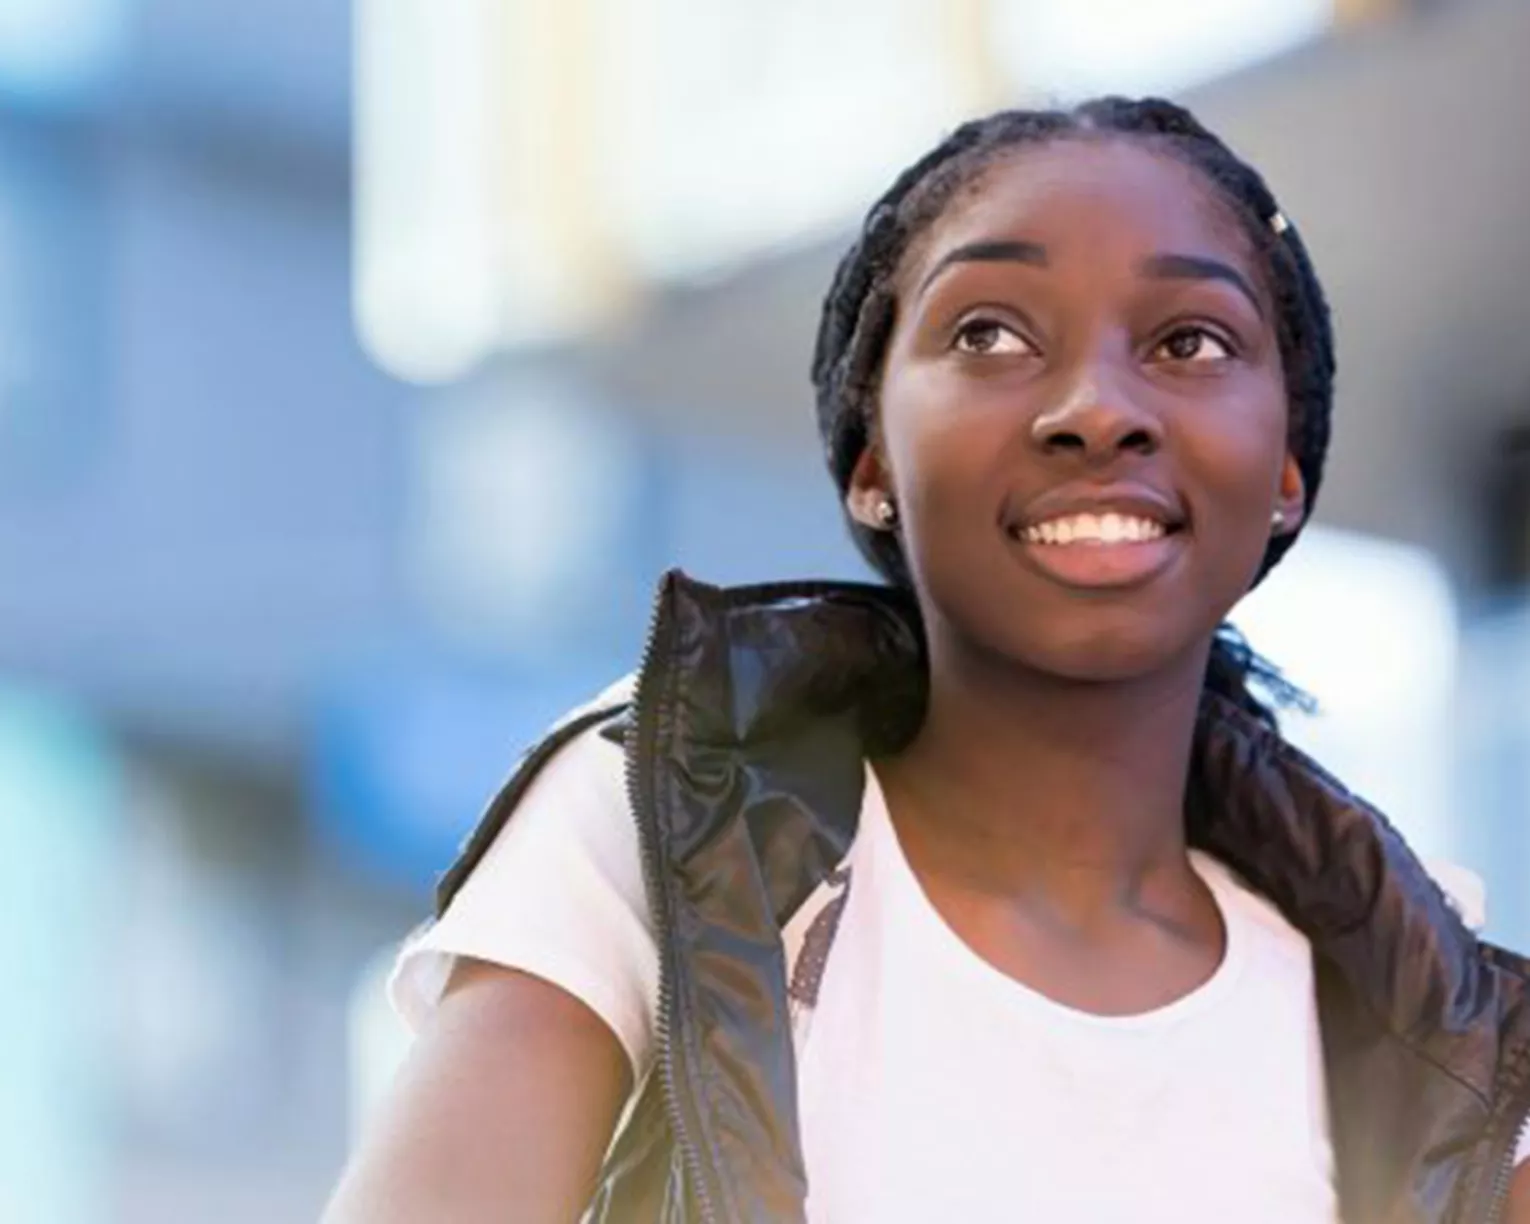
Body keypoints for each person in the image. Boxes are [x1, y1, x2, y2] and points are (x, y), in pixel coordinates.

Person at [323, 98, 1530, 1223]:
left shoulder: (1416, 995)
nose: (1098, 408)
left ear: (1284, 477)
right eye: (990, 332)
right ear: (873, 463)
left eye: (1190, 341)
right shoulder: (670, 814)